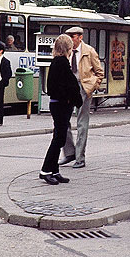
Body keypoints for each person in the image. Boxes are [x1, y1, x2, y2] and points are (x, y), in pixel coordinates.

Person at [58, 27, 104, 169]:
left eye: (73, 36)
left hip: (83, 87)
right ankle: (70, 152)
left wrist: (92, 85)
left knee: (81, 123)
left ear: (80, 37)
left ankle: (80, 157)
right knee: (63, 120)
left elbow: (99, 72)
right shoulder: (66, 51)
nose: (71, 38)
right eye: (69, 36)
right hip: (68, 87)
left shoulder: (89, 51)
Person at [40, 34, 82, 185]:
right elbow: (65, 85)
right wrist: (73, 98)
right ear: (67, 48)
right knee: (59, 139)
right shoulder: (61, 63)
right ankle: (45, 170)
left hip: (59, 103)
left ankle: (54, 170)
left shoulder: (58, 62)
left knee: (60, 137)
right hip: (60, 104)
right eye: (70, 47)